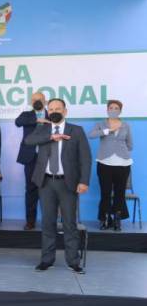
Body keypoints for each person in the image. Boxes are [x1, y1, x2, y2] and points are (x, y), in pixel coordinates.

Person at [26, 98, 91, 274]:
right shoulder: (43, 129)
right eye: (51, 108)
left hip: (68, 183)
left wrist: (84, 181)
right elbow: (28, 141)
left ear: (65, 111)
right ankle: (47, 260)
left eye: (58, 108)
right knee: (48, 222)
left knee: (70, 223)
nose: (55, 111)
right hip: (46, 182)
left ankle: (73, 261)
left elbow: (85, 158)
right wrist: (50, 137)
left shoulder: (76, 131)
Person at [89, 100, 132, 231]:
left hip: (123, 163)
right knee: (105, 193)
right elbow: (91, 135)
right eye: (111, 107)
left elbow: (130, 144)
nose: (113, 109)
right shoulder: (100, 124)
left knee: (120, 193)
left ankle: (117, 220)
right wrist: (108, 131)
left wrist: (121, 149)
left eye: (116, 108)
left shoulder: (126, 125)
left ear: (120, 110)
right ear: (107, 109)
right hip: (104, 163)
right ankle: (105, 219)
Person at [15, 92, 49, 230]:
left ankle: (49, 221)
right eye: (34, 100)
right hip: (30, 157)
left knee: (48, 190)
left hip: (48, 157)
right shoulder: (26, 115)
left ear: (45, 101)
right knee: (30, 189)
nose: (37, 102)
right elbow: (18, 122)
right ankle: (30, 221)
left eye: (39, 99)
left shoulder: (52, 115)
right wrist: (37, 120)